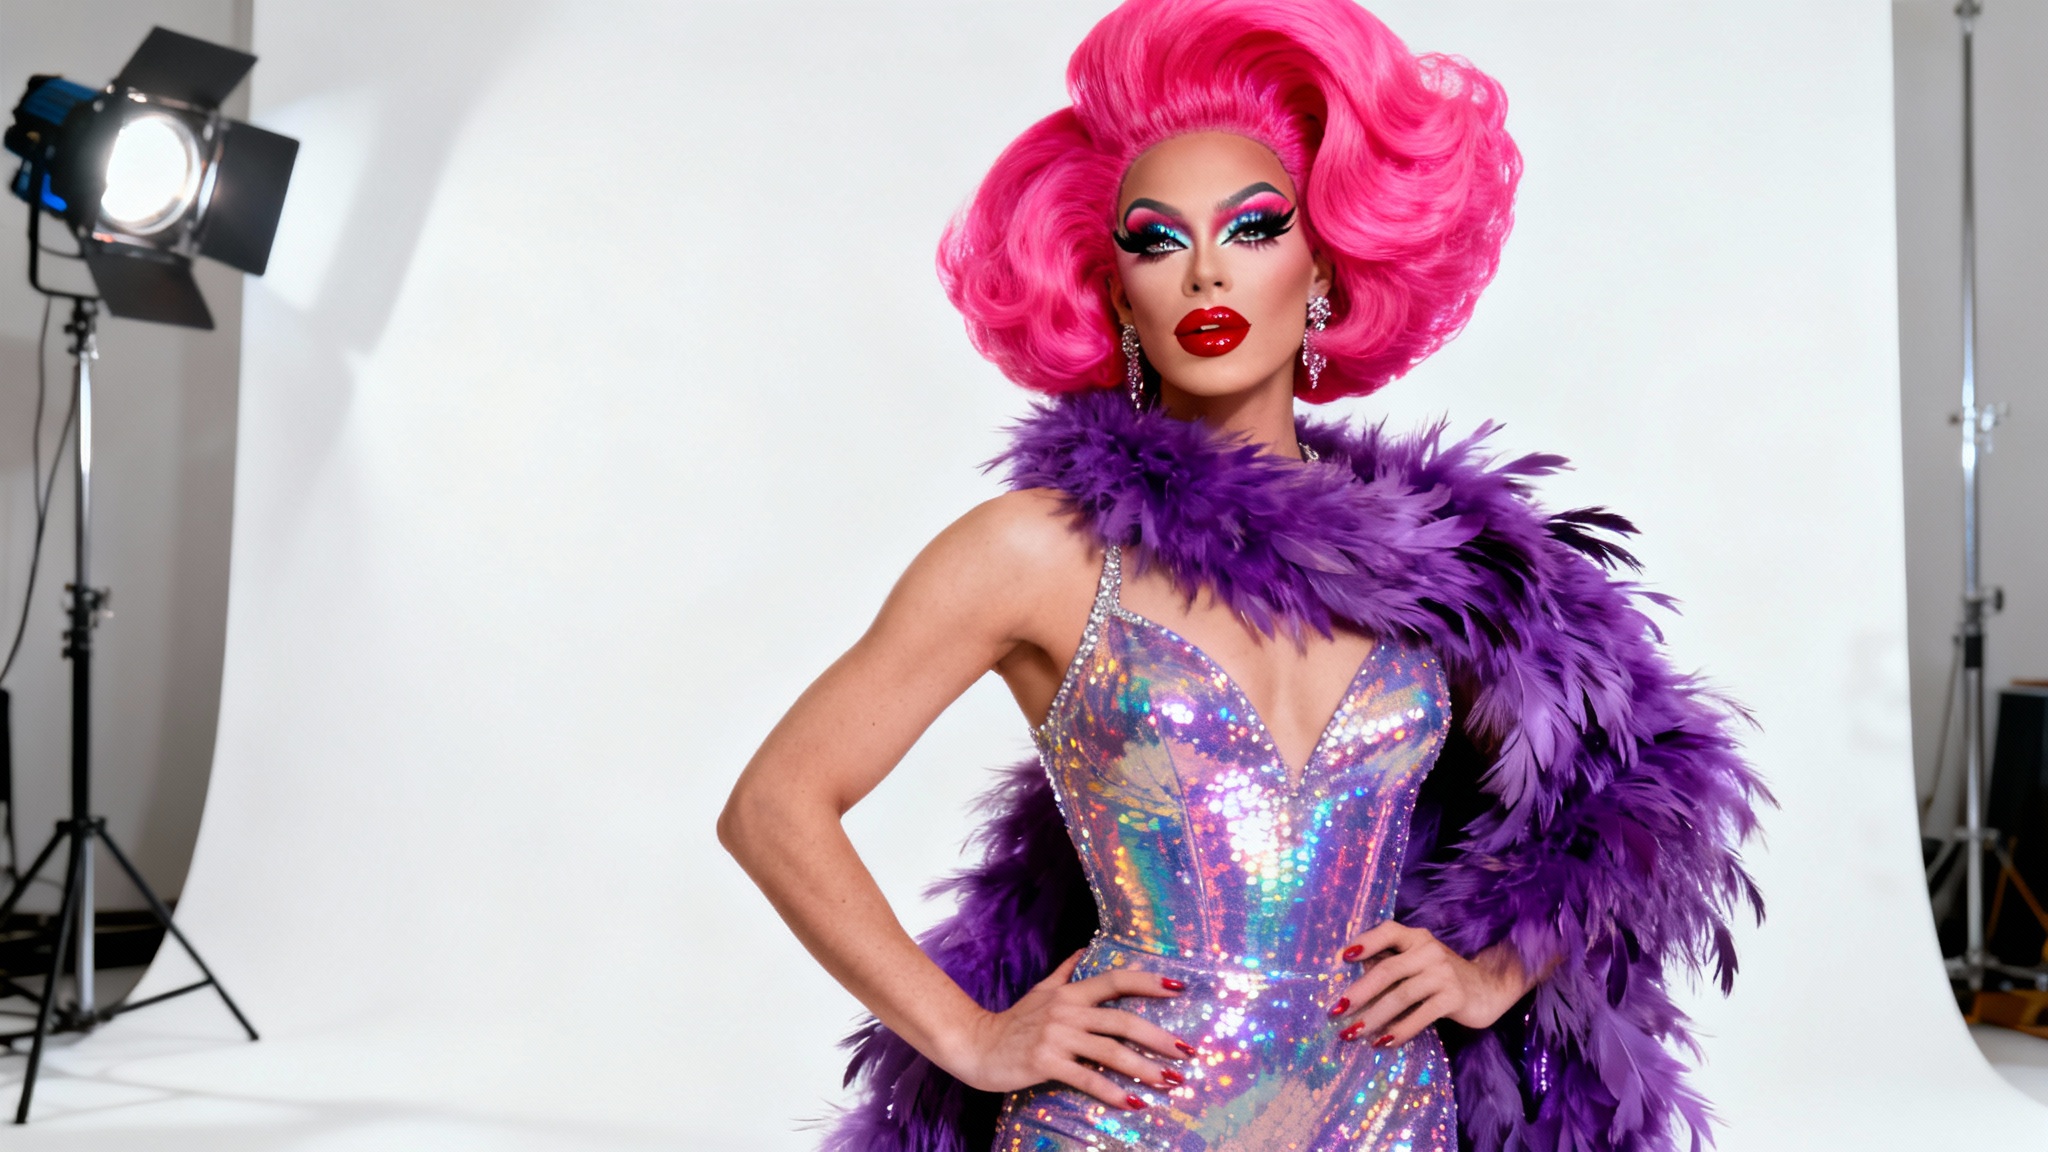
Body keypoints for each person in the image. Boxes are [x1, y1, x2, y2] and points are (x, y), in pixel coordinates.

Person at [718, 1, 1768, 1149]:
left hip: (1386, 1116)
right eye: (1155, 241)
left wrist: (1493, 971)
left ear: (1322, 264)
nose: (1205, 272)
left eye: (1253, 227)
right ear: (1116, 295)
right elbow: (775, 806)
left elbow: (1637, 783)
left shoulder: (1424, 564)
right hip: (1119, 1123)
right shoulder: (1038, 552)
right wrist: (972, 1036)